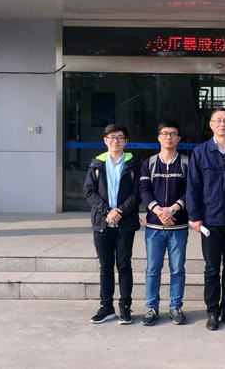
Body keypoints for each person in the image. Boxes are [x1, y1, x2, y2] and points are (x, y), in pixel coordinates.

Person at [186, 109, 225, 331]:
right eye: (218, 121)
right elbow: (193, 186)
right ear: (211, 125)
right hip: (210, 220)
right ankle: (212, 312)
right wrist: (194, 216)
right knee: (212, 268)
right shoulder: (200, 152)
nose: (222, 124)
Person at [83, 124, 141, 324]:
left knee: (124, 265)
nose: (115, 141)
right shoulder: (97, 163)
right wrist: (108, 211)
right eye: (111, 137)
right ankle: (106, 307)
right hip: (102, 222)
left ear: (126, 141)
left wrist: (120, 211)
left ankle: (125, 307)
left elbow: (137, 193)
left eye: (119, 137)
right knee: (105, 266)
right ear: (105, 140)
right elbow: (89, 191)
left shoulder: (133, 162)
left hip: (125, 223)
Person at [139, 121, 190, 326]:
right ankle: (152, 307)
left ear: (179, 138)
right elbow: (144, 189)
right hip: (154, 227)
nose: (169, 137)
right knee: (153, 269)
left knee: (177, 269)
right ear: (159, 137)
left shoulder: (186, 162)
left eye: (173, 134)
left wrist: (173, 209)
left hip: (178, 227)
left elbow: (191, 191)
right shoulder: (149, 163)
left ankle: (175, 306)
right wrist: (159, 211)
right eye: (165, 133)